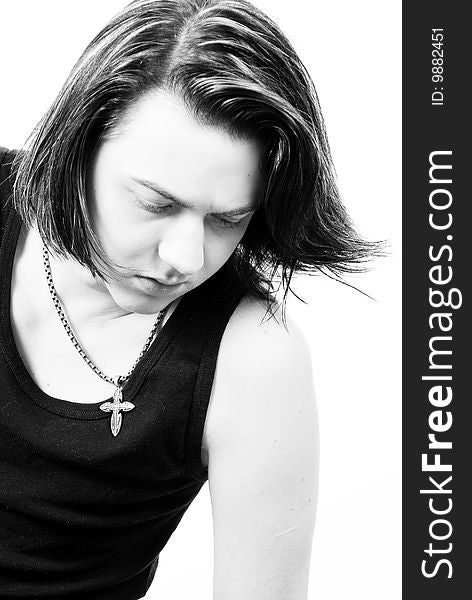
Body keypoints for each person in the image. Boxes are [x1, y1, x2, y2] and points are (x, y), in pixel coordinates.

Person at [0, 0, 377, 598]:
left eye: (227, 220)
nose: (187, 257)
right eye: (156, 203)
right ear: (78, 148)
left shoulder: (252, 357)